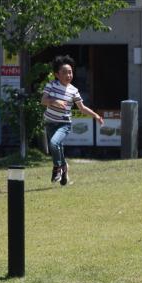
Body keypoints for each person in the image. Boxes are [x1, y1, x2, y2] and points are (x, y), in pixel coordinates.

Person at [41, 55, 103, 186]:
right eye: (64, 72)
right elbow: (43, 100)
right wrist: (55, 101)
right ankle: (64, 168)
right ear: (57, 74)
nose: (68, 75)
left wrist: (96, 116)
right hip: (50, 123)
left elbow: (82, 108)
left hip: (64, 124)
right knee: (58, 147)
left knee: (53, 143)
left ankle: (57, 168)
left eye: (70, 72)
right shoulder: (51, 85)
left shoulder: (74, 91)